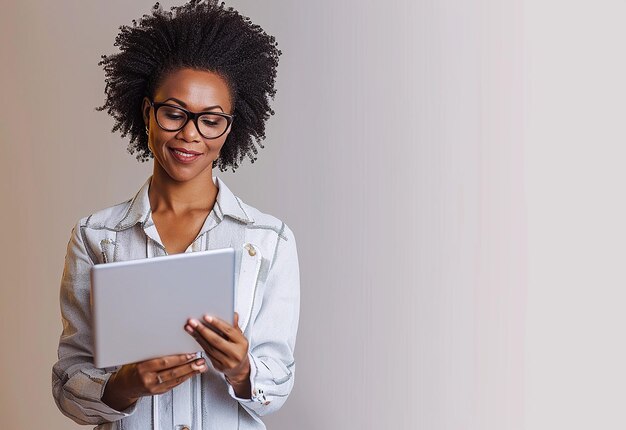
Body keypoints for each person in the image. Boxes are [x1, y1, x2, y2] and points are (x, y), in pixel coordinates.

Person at [51, 2, 300, 429]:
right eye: (174, 113)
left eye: (211, 120)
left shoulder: (268, 239)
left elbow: (276, 386)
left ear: (230, 127)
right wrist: (125, 384)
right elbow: (69, 386)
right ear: (148, 113)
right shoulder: (97, 236)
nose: (190, 133)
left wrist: (242, 370)